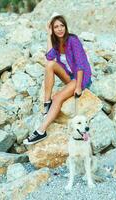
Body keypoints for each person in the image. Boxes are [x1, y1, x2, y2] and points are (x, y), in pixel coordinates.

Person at [23, 14, 92, 145]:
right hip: (70, 77)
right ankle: (46, 103)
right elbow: (49, 57)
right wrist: (49, 35)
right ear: (53, 29)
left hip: (81, 78)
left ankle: (41, 131)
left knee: (58, 98)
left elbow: (80, 64)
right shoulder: (56, 42)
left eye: (62, 26)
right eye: (56, 27)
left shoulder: (73, 40)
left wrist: (78, 87)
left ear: (65, 27)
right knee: (50, 65)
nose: (60, 29)